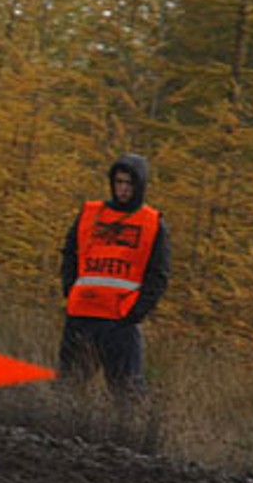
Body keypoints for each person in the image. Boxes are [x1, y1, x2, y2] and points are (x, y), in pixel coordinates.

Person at [58, 153, 171, 395]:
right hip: (82, 315)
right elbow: (70, 253)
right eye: (119, 182)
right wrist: (71, 290)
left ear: (139, 185)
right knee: (68, 389)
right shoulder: (90, 213)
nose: (123, 189)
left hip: (120, 322)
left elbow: (159, 274)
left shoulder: (152, 223)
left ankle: (125, 434)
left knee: (127, 394)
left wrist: (135, 313)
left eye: (129, 183)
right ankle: (61, 432)